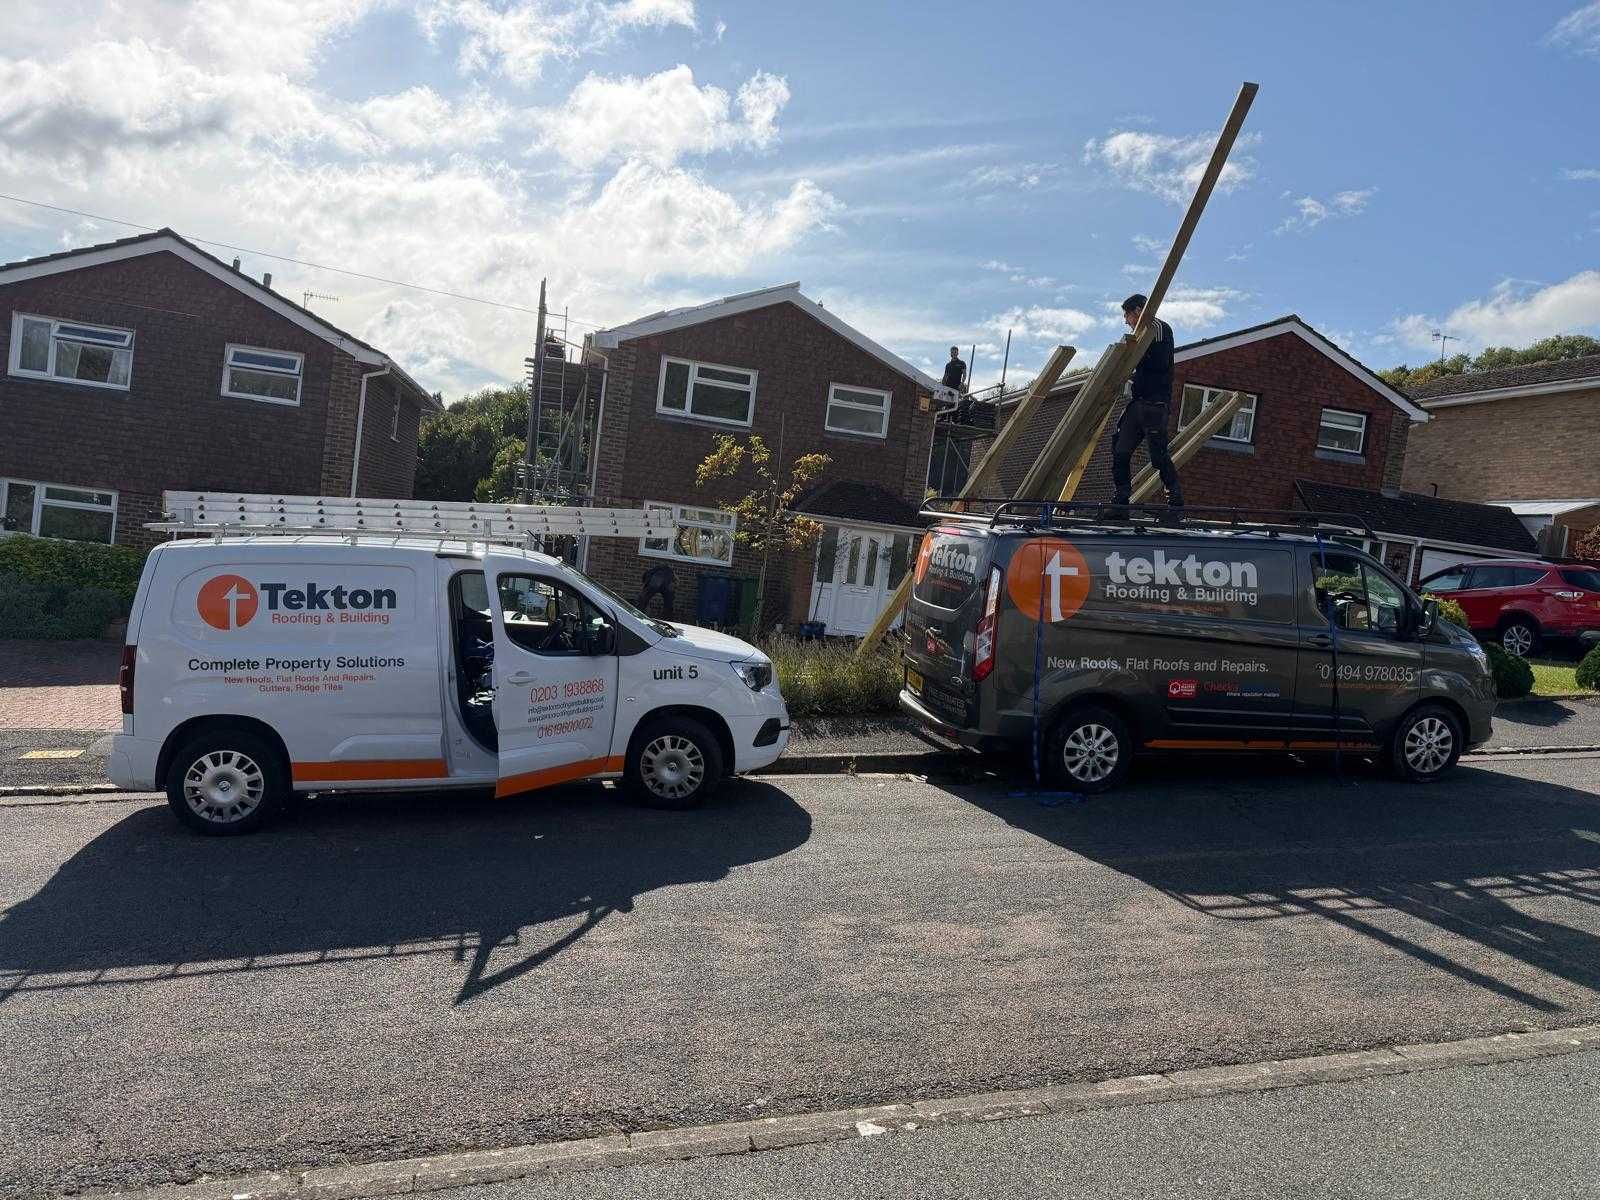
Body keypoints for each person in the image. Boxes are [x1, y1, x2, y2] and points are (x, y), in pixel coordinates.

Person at [1111, 293, 1184, 512]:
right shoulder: (1139, 334)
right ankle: (1121, 500)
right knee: (1120, 449)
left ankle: (1175, 500)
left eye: (1127, 315)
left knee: (1158, 456)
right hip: (1138, 401)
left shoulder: (1158, 328)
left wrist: (1136, 357)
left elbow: (1160, 363)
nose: (1126, 321)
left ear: (1138, 310)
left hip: (1155, 403)